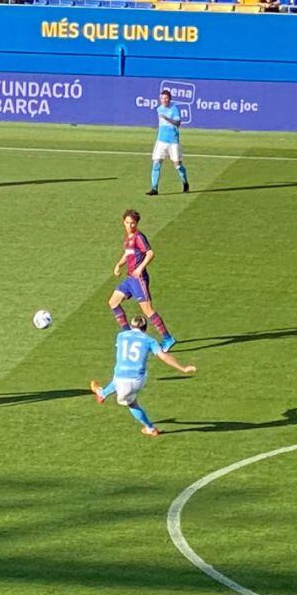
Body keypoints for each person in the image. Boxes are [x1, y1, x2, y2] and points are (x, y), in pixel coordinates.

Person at [89, 315, 196, 437]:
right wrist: (183, 368)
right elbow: (164, 356)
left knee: (132, 402)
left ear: (131, 325)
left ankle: (150, 429)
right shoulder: (149, 340)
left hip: (122, 378)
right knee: (128, 380)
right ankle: (102, 393)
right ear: (145, 328)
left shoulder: (121, 336)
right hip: (138, 380)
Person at [107, 209, 175, 349]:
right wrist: (118, 265)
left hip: (139, 279)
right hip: (130, 279)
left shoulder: (139, 237)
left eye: (132, 223)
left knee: (148, 310)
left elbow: (150, 253)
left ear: (136, 223)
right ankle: (127, 335)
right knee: (113, 302)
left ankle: (168, 338)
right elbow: (128, 254)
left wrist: (140, 268)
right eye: (127, 223)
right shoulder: (128, 238)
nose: (129, 225)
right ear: (123, 222)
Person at [146, 89, 188, 196]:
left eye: (166, 98)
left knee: (178, 165)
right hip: (161, 141)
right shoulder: (159, 109)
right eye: (162, 98)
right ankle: (154, 188)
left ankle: (185, 182)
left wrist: (167, 118)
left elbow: (178, 123)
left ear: (169, 99)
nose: (164, 100)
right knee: (156, 163)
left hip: (173, 141)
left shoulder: (174, 109)